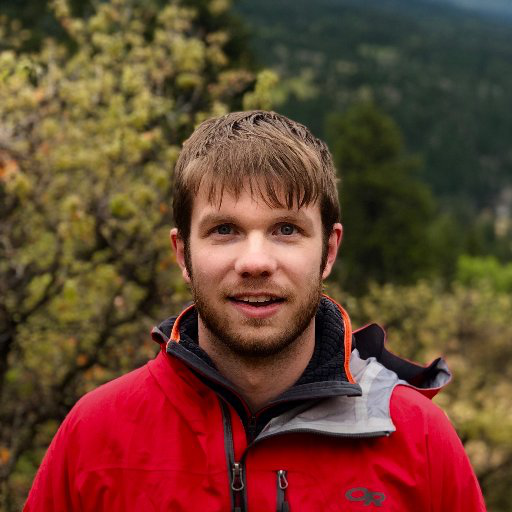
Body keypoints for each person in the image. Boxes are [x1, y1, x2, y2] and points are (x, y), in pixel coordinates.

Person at [24, 110, 486, 511]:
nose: (256, 262)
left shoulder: (420, 440)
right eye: (225, 230)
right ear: (183, 254)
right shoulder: (95, 437)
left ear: (328, 251)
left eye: (286, 229)